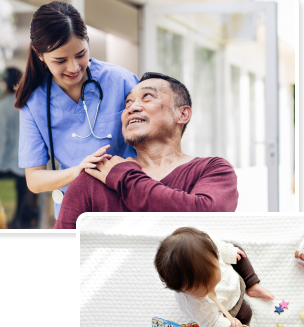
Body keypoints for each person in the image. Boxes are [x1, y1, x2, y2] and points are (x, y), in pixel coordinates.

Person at [54, 73, 239, 228]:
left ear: (182, 114)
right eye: (128, 102)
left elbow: (206, 220)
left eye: (147, 97)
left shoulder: (213, 169)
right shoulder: (96, 177)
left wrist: (124, 178)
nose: (131, 108)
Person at [15, 1, 139, 222]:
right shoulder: (33, 103)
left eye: (80, 54)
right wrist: (77, 171)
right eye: (60, 60)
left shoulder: (120, 81)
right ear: (39, 55)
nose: (73, 67)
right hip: (75, 212)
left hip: (128, 202)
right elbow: (34, 180)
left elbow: (155, 145)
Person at [154, 227, 274, 327]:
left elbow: (221, 247)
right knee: (246, 314)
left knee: (238, 252)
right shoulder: (194, 306)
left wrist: (229, 253)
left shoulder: (209, 247)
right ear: (182, 291)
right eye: (204, 293)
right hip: (228, 305)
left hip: (234, 279)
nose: (213, 290)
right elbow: (213, 323)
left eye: (215, 282)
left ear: (214, 256)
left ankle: (252, 284)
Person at [0, 67, 39, 229]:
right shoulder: (29, 102)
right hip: (29, 163)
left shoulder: (2, 107)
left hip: (9, 165)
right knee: (24, 205)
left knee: (16, 213)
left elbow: (1, 140)